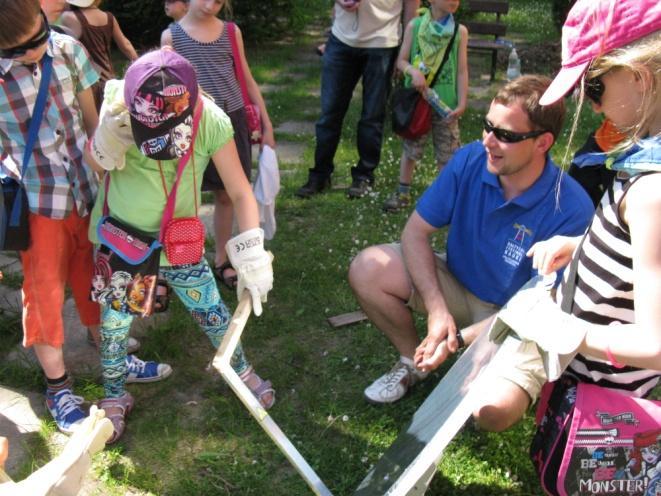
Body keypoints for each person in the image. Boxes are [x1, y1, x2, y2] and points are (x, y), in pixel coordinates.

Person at [349, 75, 595, 430]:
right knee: (367, 268)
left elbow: (541, 307)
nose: (488, 141)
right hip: (460, 287)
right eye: (487, 126)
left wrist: (460, 340)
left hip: (522, 319)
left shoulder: (571, 207)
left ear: (543, 143)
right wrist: (436, 310)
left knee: (490, 412)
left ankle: (491, 374)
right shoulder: (469, 160)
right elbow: (415, 232)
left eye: (506, 135)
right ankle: (411, 362)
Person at [495, 1, 660, 492]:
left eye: (594, 86)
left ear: (640, 78)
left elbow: (656, 343)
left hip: (609, 416)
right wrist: (584, 244)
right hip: (589, 393)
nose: (590, 105)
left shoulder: (652, 191)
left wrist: (567, 332)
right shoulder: (643, 164)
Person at [84, 48, 275, 443]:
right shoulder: (121, 105)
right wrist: (104, 140)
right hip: (125, 239)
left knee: (212, 312)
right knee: (116, 322)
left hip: (178, 242)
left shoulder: (211, 120)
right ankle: (115, 393)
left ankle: (239, 369)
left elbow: (240, 192)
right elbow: (98, 166)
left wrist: (252, 251)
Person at [0, 0, 101, 434]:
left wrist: (108, 178)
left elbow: (93, 124)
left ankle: (109, 348)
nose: (36, 50)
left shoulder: (69, 50)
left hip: (87, 191)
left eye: (40, 36)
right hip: (38, 201)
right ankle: (58, 385)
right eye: (20, 50)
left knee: (95, 273)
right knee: (42, 294)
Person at [161, 0, 275, 290]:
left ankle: (221, 257)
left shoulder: (231, 31)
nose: (213, 4)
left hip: (232, 120)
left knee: (227, 194)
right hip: (193, 125)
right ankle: (183, 261)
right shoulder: (171, 36)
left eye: (221, 1)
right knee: (188, 197)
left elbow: (246, 78)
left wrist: (267, 122)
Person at [296, 0, 420, 199]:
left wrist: (405, 52)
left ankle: (364, 176)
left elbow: (411, 9)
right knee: (329, 114)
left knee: (372, 116)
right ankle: (320, 174)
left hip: (383, 42)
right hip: (340, 40)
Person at [383, 0, 468, 213]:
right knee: (411, 148)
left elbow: (462, 71)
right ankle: (403, 193)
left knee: (447, 153)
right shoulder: (415, 26)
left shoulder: (460, 32)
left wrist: (462, 102)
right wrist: (413, 72)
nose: (454, 1)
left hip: (445, 106)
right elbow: (401, 61)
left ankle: (446, 198)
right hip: (418, 101)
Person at [60, 0, 138, 110]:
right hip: (109, 80)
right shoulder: (109, 17)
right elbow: (125, 45)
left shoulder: (69, 17)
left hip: (87, 84)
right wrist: (142, 68)